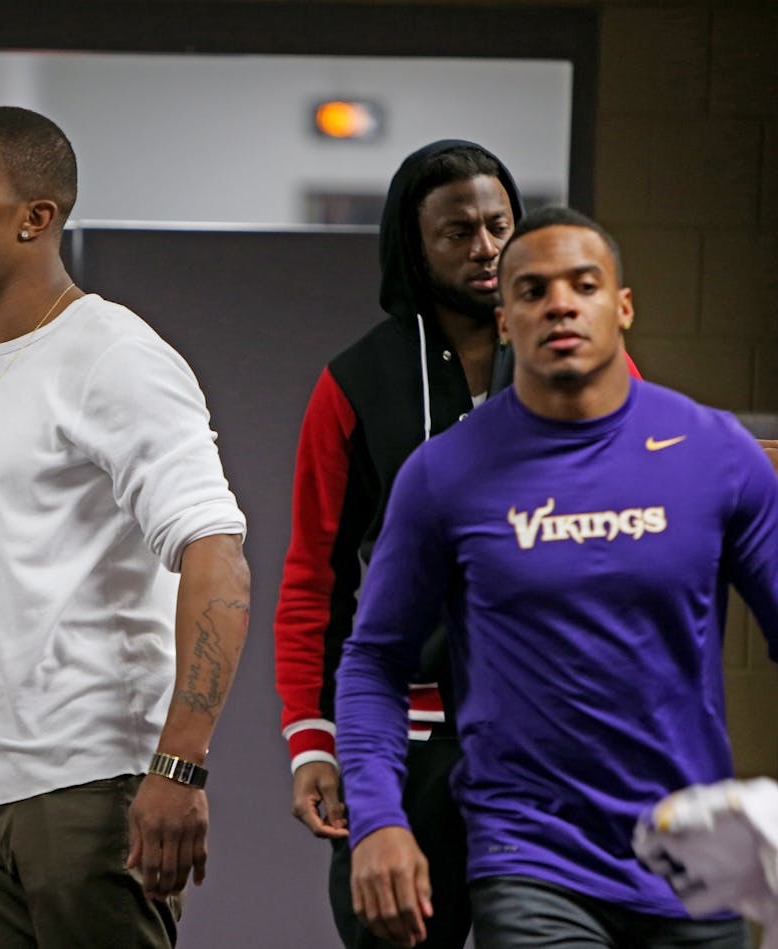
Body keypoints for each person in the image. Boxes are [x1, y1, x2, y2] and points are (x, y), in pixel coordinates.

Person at [336, 206, 778, 949]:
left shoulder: (714, 453)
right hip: (531, 856)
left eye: (584, 284)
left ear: (622, 306)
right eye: (534, 291)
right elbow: (375, 660)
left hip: (692, 858)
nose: (561, 304)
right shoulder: (444, 475)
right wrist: (380, 819)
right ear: (506, 320)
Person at [0, 105, 251, 948]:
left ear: (35, 218)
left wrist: (178, 764)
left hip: (92, 783)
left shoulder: (111, 353)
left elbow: (218, 558)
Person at [273, 140, 526, 949]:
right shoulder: (354, 383)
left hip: (542, 732)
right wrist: (311, 739)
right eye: (458, 232)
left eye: (498, 225)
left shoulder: (577, 362)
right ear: (414, 247)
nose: (486, 248)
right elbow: (314, 577)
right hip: (404, 746)